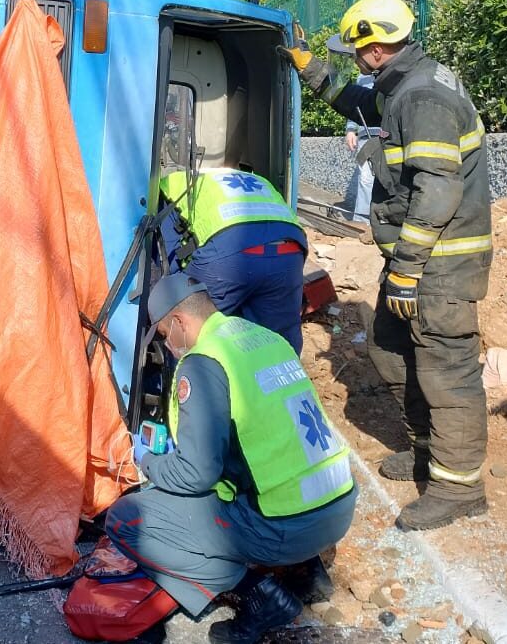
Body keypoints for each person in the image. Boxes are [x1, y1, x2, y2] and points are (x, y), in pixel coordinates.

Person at [279, 0, 492, 531]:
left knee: (447, 370)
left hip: (439, 263)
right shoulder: (402, 87)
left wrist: (406, 270)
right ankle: (428, 450)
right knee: (392, 348)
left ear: (376, 48)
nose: (354, 58)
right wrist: (314, 70)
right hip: (420, 257)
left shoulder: (423, 99)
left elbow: (438, 192)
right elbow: (359, 102)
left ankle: (459, 486)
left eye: (354, 50)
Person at [107, 275, 356, 644]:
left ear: (179, 322)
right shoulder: (264, 338)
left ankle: (259, 595)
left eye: (163, 334)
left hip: (286, 526)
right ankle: (307, 570)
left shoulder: (204, 362)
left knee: (127, 518)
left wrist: (147, 461)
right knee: (251, 475)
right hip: (337, 504)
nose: (168, 345)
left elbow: (196, 474)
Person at [159, 167, 308, 353]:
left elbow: (169, 262)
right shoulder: (246, 178)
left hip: (230, 250)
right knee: (280, 344)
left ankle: (193, 379)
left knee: (190, 329)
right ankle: (287, 380)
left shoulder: (166, 189)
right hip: (290, 248)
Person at [343, 73, 378, 224]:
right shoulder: (363, 77)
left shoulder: (397, 70)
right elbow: (355, 104)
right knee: (365, 179)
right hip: (366, 135)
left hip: (390, 134)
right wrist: (351, 129)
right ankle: (362, 224)